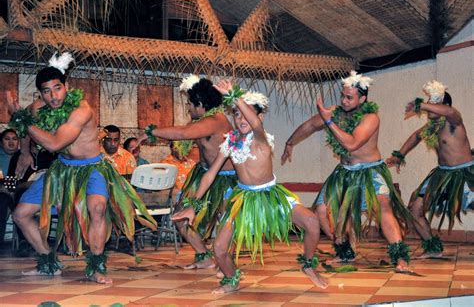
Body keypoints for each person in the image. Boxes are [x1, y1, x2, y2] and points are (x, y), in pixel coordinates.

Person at [6, 52, 156, 283]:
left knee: (97, 208)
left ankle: (96, 267)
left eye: (57, 88)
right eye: (46, 91)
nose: (53, 96)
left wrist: (22, 121)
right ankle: (48, 262)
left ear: (67, 86)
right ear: (41, 93)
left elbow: (55, 143)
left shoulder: (82, 110)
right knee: (20, 214)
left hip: (92, 168)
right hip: (62, 170)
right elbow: (26, 123)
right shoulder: (38, 108)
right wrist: (25, 151)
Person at [172, 80, 329, 293]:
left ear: (258, 117)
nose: (241, 119)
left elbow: (254, 122)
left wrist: (234, 95)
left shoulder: (261, 138)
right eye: (236, 115)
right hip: (244, 199)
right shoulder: (229, 142)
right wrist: (194, 204)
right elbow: (210, 175)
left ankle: (308, 265)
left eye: (245, 115)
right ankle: (231, 279)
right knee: (218, 249)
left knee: (311, 221)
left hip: (271, 196)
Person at [282, 71, 413, 272]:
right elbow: (310, 125)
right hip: (344, 171)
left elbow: (351, 144)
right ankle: (344, 250)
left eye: (349, 97)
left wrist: (329, 121)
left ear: (362, 98)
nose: (344, 101)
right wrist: (290, 141)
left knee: (383, 206)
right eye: (342, 96)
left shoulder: (371, 118)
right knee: (321, 210)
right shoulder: (336, 112)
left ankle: (400, 256)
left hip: (370, 171)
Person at [137, 75, 237, 270]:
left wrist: (152, 131)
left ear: (200, 104)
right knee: (180, 215)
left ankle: (229, 266)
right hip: (203, 174)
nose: (188, 108)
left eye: (190, 104)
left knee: (226, 223)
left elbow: (183, 133)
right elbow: (184, 134)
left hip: (225, 179)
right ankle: (203, 256)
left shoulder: (216, 121)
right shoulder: (202, 120)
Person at [386, 80, 473, 258]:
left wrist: (420, 104)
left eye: (434, 105)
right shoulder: (432, 128)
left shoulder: (453, 121)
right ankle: (433, 248)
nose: (428, 110)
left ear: (444, 105)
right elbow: (415, 136)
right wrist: (399, 155)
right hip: (442, 175)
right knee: (415, 208)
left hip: (466, 174)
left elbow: (449, 111)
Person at [0, 129, 20, 246]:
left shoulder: (24, 156)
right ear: (1, 143)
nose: (11, 142)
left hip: (20, 191)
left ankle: (24, 243)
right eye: (7, 139)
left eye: (14, 139)